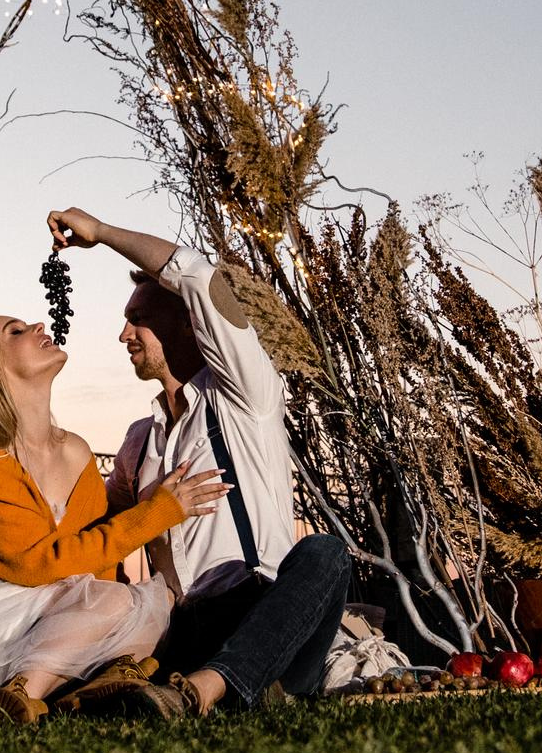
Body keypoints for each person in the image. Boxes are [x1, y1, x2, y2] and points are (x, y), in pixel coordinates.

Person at [45, 207, 353, 717]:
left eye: (139, 319)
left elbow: (200, 278)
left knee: (325, 554)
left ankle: (209, 689)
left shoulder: (243, 397)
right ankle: (222, 691)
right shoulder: (139, 440)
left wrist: (100, 231)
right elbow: (92, 521)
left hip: (264, 615)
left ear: (189, 324)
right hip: (179, 632)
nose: (125, 335)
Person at [0, 310, 232, 723]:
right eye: (15, 331)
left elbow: (98, 559)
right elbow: (39, 564)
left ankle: (83, 685)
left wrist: (122, 610)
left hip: (42, 603)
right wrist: (158, 512)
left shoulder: (75, 451)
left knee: (153, 600)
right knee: (120, 602)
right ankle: (19, 695)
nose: (38, 326)